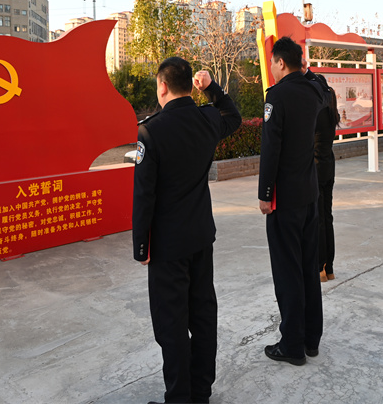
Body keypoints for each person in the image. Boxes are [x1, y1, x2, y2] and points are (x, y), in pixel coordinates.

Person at [133, 57, 241, 404]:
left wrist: (141, 246)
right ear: (188, 86)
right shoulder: (207, 118)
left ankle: (179, 397)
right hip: (200, 236)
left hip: (167, 245)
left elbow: (144, 195)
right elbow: (233, 116)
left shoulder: (151, 131)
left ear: (163, 86)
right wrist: (211, 88)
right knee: (203, 314)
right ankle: (200, 391)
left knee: (172, 324)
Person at [258, 36, 325, 366]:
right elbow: (320, 82)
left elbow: (271, 149)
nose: (271, 68)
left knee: (288, 272)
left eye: (273, 62)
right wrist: (306, 70)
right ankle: (311, 339)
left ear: (281, 63)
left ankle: (292, 345)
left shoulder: (277, 96)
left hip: (284, 199)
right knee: (308, 268)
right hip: (310, 194)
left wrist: (265, 193)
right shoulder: (314, 91)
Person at [314, 76, 341, 282]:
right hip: (328, 167)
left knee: (318, 220)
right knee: (327, 217)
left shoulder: (317, 112)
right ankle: (329, 268)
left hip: (315, 169)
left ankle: (320, 267)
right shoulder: (332, 111)